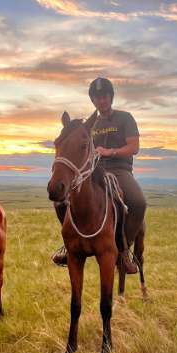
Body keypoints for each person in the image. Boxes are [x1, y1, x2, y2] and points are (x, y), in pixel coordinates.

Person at [53, 77, 147, 273]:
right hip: (90, 170)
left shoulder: (125, 118)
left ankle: (122, 251)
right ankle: (70, 246)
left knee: (138, 202)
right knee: (60, 200)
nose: (101, 101)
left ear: (110, 97)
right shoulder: (89, 124)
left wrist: (110, 151)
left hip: (118, 169)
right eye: (97, 97)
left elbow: (134, 147)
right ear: (92, 100)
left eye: (104, 96)